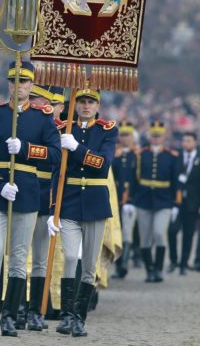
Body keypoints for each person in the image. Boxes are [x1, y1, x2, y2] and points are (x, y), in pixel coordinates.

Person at [0, 61, 61, 337]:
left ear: (32, 85)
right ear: (8, 84)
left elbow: (55, 155)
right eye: (14, 81)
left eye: (24, 82)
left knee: (18, 257)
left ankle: (10, 317)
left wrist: (26, 149)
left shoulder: (42, 116)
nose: (18, 86)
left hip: (26, 192)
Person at [48, 89, 116, 337]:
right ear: (75, 105)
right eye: (82, 102)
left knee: (88, 264)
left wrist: (77, 148)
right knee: (69, 258)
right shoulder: (64, 129)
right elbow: (57, 173)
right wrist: (52, 209)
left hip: (96, 203)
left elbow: (103, 164)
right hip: (69, 203)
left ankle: (79, 318)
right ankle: (66, 314)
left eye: (91, 102)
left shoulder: (107, 130)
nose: (86, 106)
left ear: (98, 105)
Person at [24, 84, 63, 331]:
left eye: (40, 101)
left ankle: (36, 310)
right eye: (34, 99)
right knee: (16, 257)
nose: (37, 104)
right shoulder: (23, 123)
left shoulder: (59, 130)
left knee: (39, 259)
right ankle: (15, 307)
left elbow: (56, 161)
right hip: (19, 196)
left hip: (44, 198)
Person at [133, 121, 182, 283]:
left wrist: (176, 203)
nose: (155, 139)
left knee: (160, 233)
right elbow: (134, 179)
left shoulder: (172, 156)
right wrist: (131, 200)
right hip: (143, 199)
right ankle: (150, 270)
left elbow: (176, 181)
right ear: (149, 137)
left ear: (163, 137)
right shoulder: (141, 154)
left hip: (164, 200)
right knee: (145, 237)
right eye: (153, 136)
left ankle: (159, 269)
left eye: (158, 136)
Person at [111, 120, 138, 279]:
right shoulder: (116, 153)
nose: (125, 138)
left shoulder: (137, 154)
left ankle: (124, 266)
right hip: (116, 199)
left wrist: (133, 201)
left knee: (127, 234)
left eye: (127, 135)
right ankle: (119, 264)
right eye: (122, 135)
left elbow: (138, 179)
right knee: (117, 233)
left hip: (131, 200)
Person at [171, 132, 198, 275]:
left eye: (188, 141)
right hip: (176, 201)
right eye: (184, 141)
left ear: (194, 142)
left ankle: (183, 264)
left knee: (188, 234)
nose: (185, 143)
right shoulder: (177, 157)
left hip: (192, 203)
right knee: (172, 231)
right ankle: (173, 260)